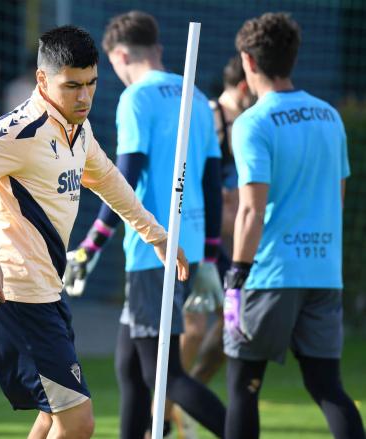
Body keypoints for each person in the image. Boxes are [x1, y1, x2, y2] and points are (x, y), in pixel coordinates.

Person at [0, 25, 189, 439]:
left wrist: (156, 234)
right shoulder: (21, 129)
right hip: (15, 296)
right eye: (72, 86)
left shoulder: (79, 128)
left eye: (91, 83)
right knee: (77, 421)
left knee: (55, 417)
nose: (85, 97)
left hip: (48, 294)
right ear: (42, 80)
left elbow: (108, 180)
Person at [64, 11, 225, 439]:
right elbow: (211, 180)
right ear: (157, 48)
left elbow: (124, 179)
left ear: (119, 55)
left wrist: (90, 247)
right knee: (130, 368)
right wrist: (208, 256)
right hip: (187, 248)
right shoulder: (196, 95)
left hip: (153, 251)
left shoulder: (136, 98)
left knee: (164, 375)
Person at [225, 12, 365, 439]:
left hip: (270, 273)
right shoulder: (329, 116)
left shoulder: (253, 122)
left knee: (244, 389)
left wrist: (237, 275)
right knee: (328, 387)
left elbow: (250, 210)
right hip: (323, 272)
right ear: (293, 56)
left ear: (247, 61)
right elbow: (336, 197)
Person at [180, 55, 254, 391]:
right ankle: (163, 410)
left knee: (235, 321)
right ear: (244, 87)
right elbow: (185, 176)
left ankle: (188, 395)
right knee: (193, 328)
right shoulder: (210, 116)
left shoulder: (249, 126)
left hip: (220, 239)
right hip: (192, 235)